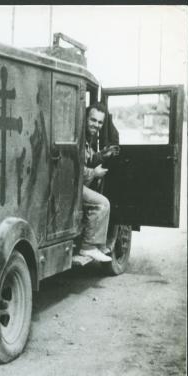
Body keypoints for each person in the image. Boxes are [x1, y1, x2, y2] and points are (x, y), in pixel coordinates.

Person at [78, 103, 119, 262]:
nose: (96, 125)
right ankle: (87, 246)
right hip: (71, 187)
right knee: (102, 204)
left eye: (100, 122)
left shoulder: (87, 139)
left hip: (77, 185)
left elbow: (89, 158)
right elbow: (76, 170)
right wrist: (94, 173)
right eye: (93, 120)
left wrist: (103, 154)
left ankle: (96, 244)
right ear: (85, 118)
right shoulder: (79, 137)